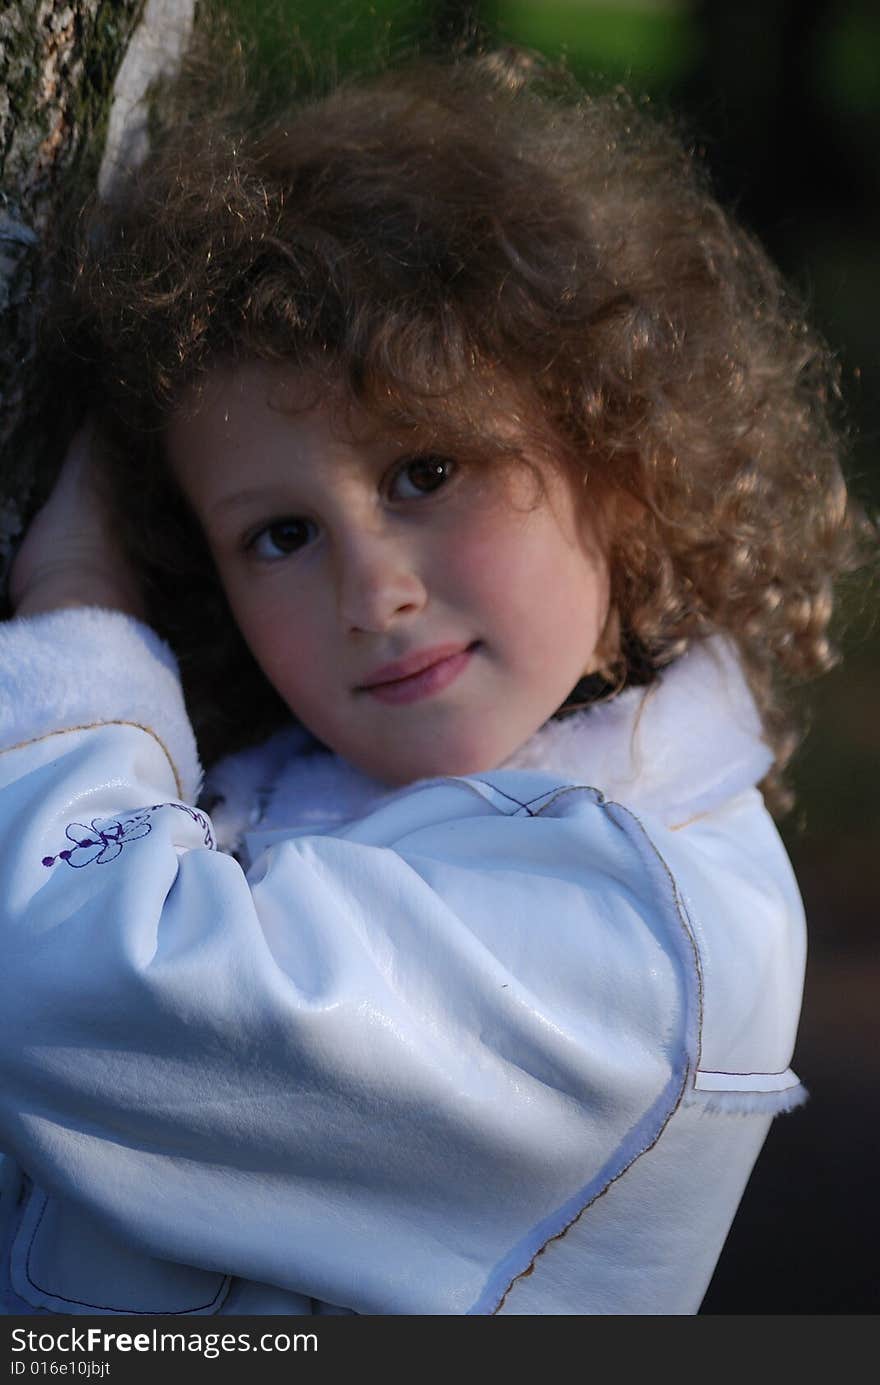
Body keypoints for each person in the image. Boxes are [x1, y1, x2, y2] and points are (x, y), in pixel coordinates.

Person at [0, 47, 868, 1316]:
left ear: (613, 455)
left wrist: (75, 607)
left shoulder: (650, 942)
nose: (374, 592)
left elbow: (69, 982)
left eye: (424, 473)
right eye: (280, 535)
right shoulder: (302, 775)